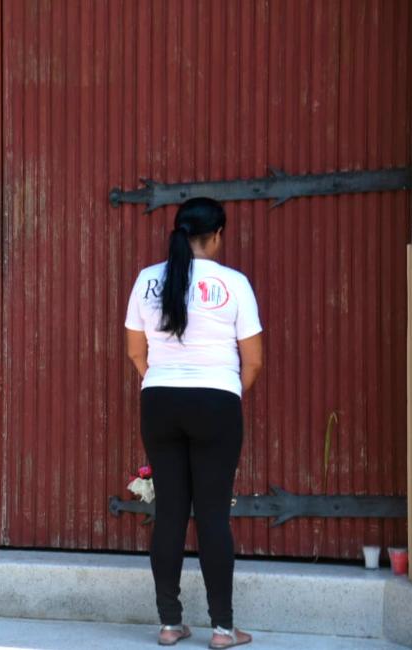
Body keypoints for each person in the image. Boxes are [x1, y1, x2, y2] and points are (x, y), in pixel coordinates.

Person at [124, 197, 262, 649]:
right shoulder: (233, 283)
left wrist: (160, 381)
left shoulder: (147, 280)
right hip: (216, 401)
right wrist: (226, 392)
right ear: (217, 234)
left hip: (159, 400)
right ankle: (223, 629)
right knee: (213, 516)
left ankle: (169, 624)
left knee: (169, 514)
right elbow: (254, 361)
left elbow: (134, 351)